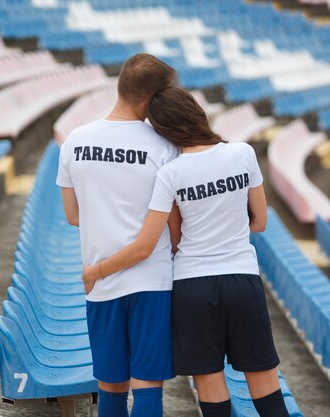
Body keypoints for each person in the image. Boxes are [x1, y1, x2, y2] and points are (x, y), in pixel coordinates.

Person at [83, 87, 290, 417]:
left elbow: (173, 239)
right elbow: (260, 221)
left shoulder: (171, 173)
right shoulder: (243, 153)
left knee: (209, 381)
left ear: (163, 130)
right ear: (197, 112)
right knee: (263, 379)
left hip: (193, 285)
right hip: (242, 278)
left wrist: (96, 271)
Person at [57, 53, 181, 417]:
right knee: (147, 383)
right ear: (152, 99)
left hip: (100, 281)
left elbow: (73, 215)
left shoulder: (75, 141)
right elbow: (174, 229)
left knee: (110, 385)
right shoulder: (163, 147)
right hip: (152, 282)